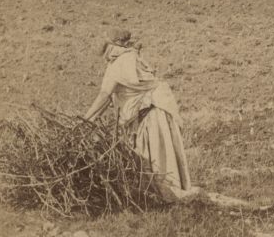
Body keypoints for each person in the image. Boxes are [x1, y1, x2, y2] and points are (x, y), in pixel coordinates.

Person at [83, 31, 197, 202]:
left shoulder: (121, 63)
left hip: (152, 114)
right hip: (153, 111)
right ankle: (163, 196)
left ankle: (168, 198)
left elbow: (105, 95)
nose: (106, 55)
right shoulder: (128, 58)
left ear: (114, 46)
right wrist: (87, 122)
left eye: (107, 49)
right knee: (153, 162)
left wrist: (85, 120)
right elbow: (107, 100)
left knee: (159, 163)